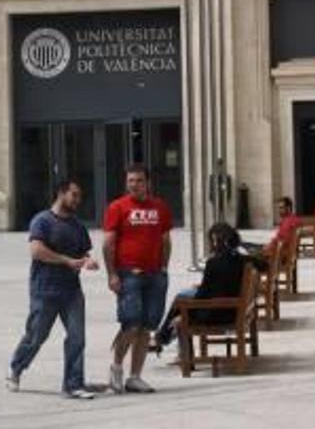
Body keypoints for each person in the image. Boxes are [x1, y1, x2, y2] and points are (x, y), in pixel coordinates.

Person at [6, 180, 100, 400]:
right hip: (45, 289)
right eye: (74, 195)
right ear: (61, 193)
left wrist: (88, 261)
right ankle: (16, 368)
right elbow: (37, 251)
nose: (77, 200)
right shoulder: (42, 221)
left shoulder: (78, 226)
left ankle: (73, 384)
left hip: (72, 291)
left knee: (77, 337)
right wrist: (66, 260)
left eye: (79, 196)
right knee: (36, 336)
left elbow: (84, 252)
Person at [103, 164, 172, 394]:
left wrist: (163, 268)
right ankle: (116, 368)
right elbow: (108, 243)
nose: (134, 184)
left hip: (154, 275)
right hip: (128, 274)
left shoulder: (160, 207)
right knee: (130, 324)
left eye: (139, 180)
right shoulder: (117, 207)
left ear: (147, 183)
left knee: (146, 327)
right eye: (131, 180)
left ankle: (135, 376)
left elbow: (165, 241)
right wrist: (112, 274)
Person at [152, 223, 250, 352]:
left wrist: (185, 314)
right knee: (183, 296)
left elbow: (203, 295)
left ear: (215, 241)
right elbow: (224, 283)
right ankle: (162, 336)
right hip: (233, 308)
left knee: (182, 302)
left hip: (218, 314)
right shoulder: (241, 259)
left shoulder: (214, 263)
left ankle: (163, 337)